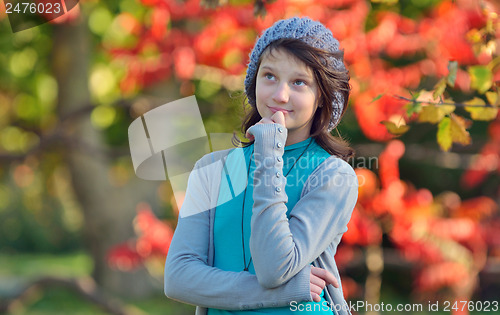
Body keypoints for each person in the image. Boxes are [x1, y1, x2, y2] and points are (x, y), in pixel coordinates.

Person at [164, 16, 358, 315]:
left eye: (299, 82)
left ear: (321, 97)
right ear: (254, 82)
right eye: (269, 76)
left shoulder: (333, 176)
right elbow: (178, 278)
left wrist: (269, 152)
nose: (280, 95)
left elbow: (274, 268)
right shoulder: (211, 171)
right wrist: (290, 290)